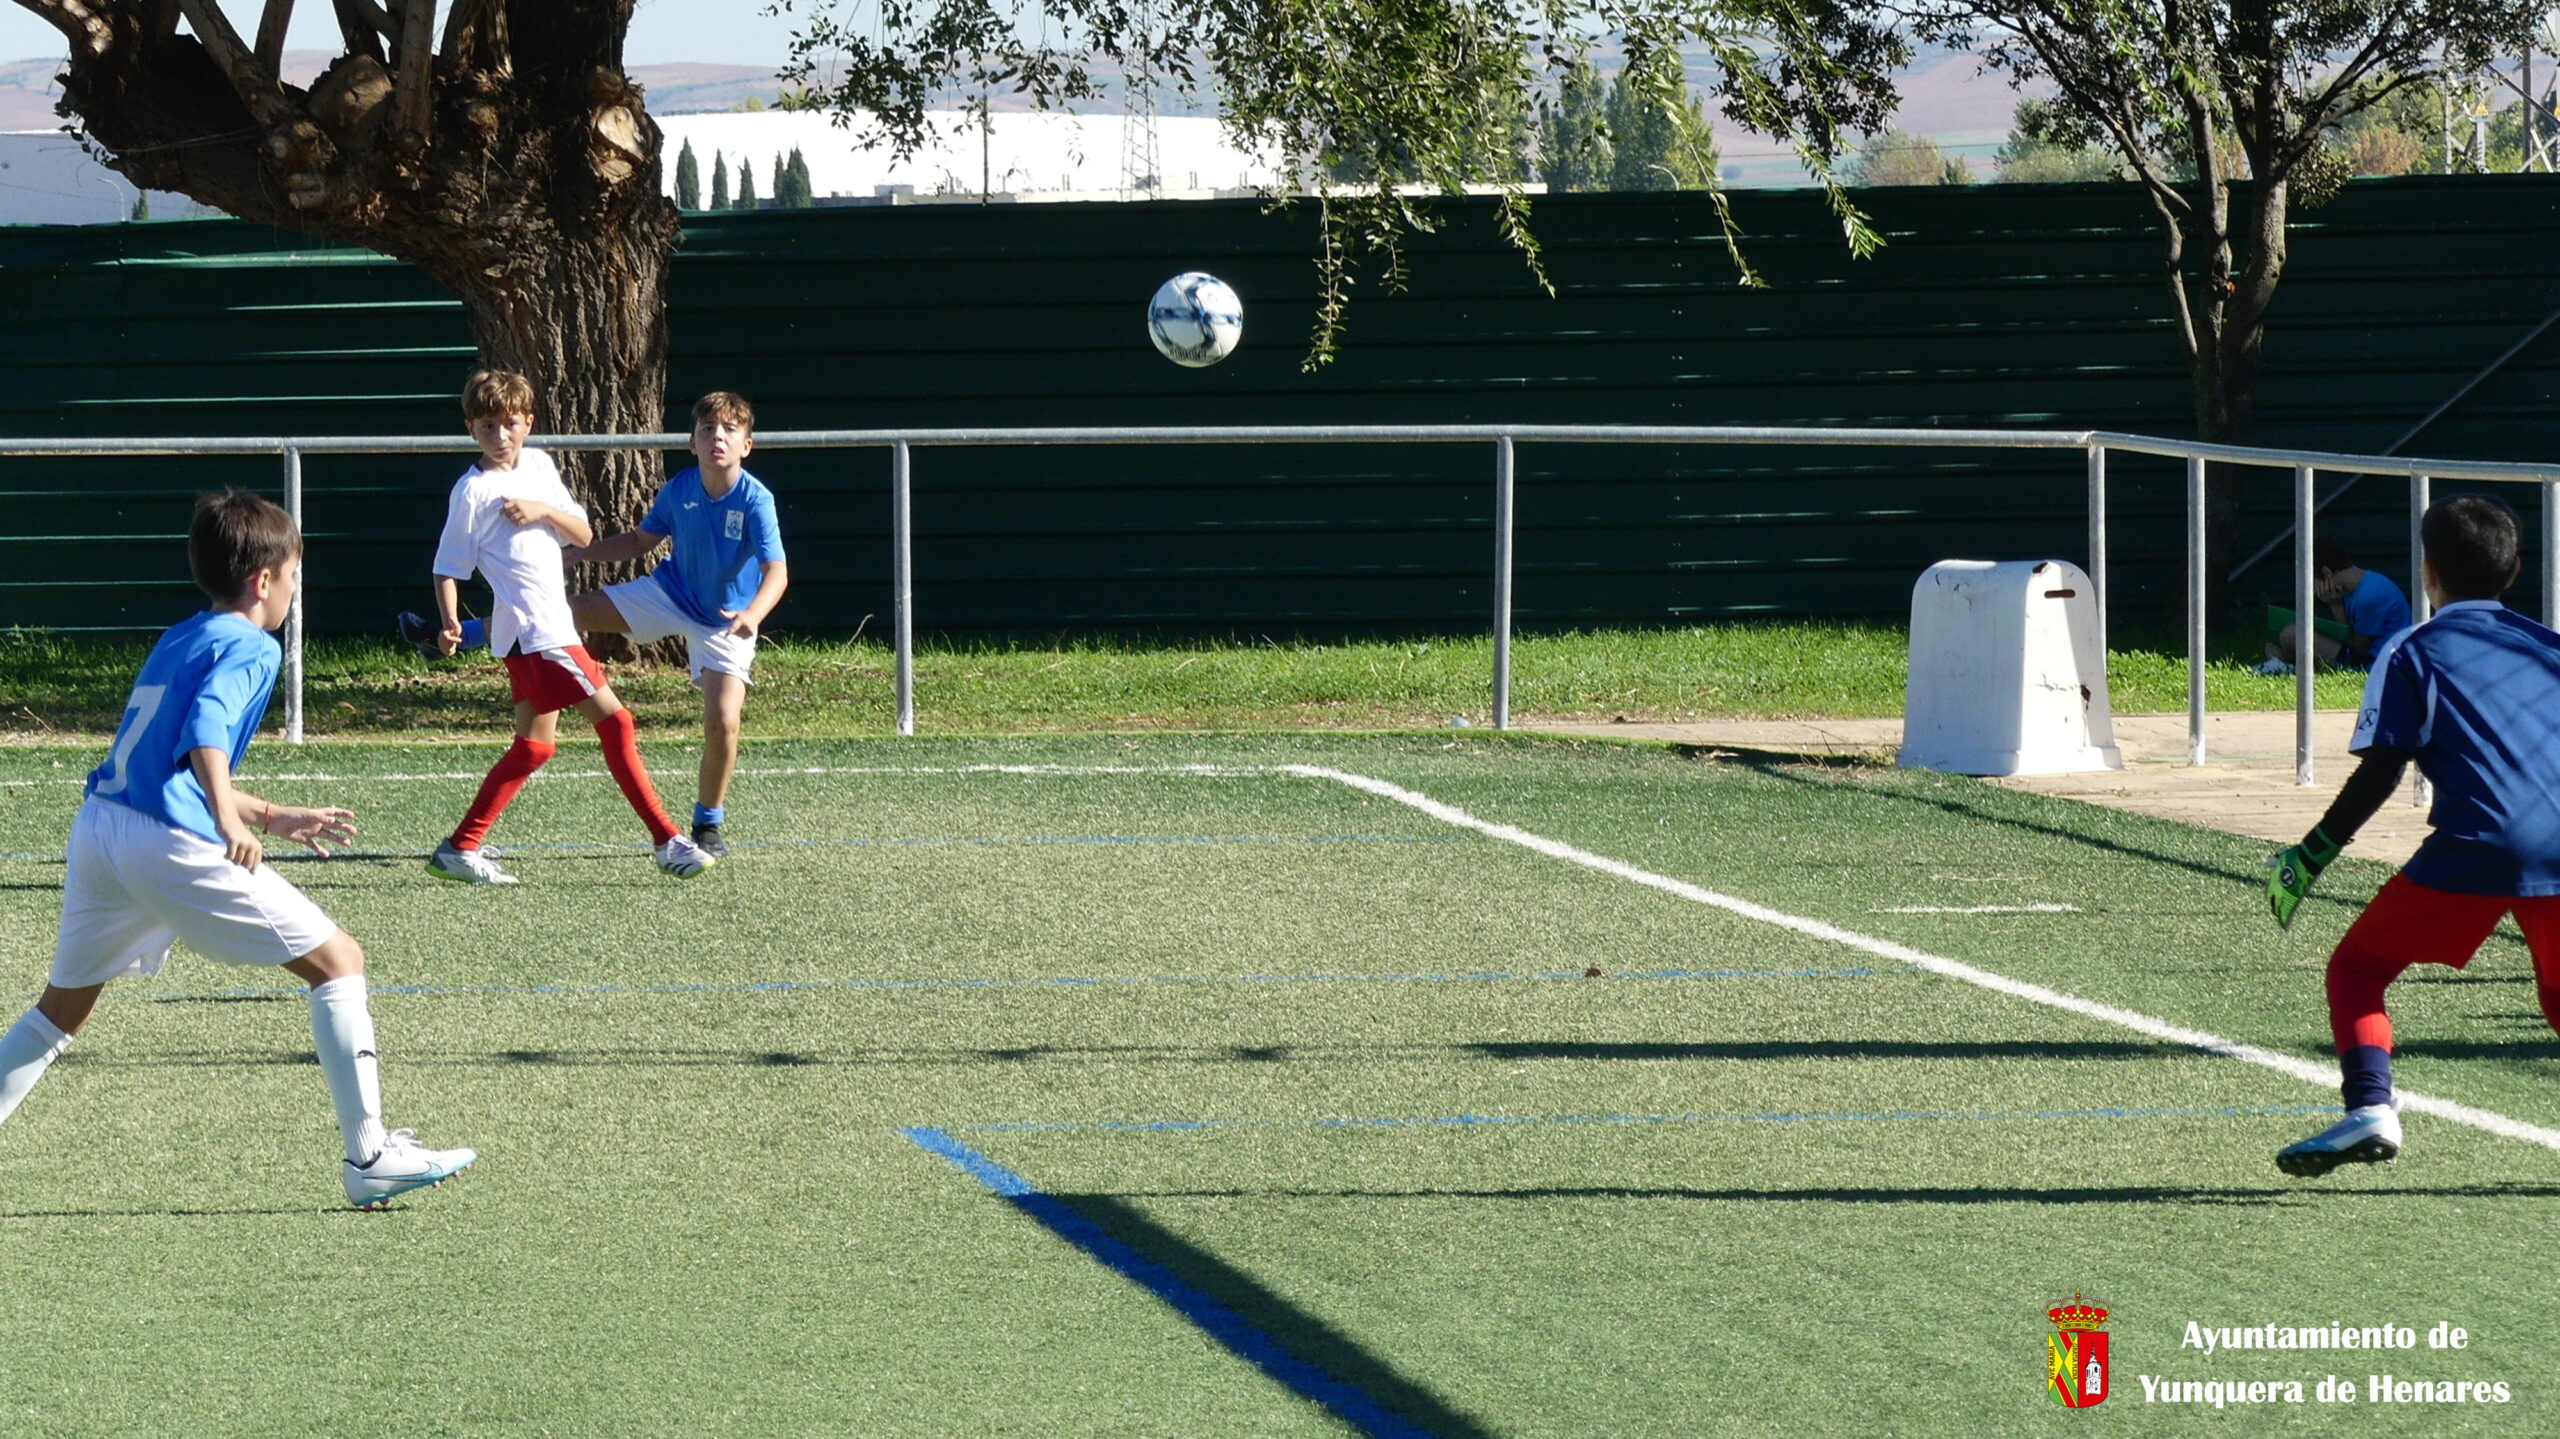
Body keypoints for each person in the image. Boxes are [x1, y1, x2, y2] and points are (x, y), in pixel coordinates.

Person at [0, 491, 475, 1209]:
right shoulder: (254, 645)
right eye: (294, 577)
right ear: (264, 580)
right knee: (339, 960)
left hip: (102, 827)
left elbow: (168, 756)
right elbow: (206, 733)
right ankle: (370, 1155)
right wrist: (229, 820)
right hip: (164, 840)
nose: (294, 590)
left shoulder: (182, 634)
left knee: (61, 1009)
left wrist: (269, 814)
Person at [2264, 494, 2560, 1175]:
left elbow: (2381, 772)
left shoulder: (2411, 650)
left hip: (2482, 842)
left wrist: (2308, 857)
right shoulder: (2550, 647)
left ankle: (2371, 1105)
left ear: (2427, 571)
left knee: (2357, 969)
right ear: (2514, 570)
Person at [425, 368, 715, 883]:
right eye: (487, 426)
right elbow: (447, 566)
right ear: (471, 429)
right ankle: (667, 841)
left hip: (542, 631)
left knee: (535, 747)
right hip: (539, 634)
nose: (500, 435)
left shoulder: (538, 465)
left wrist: (541, 510)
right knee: (617, 723)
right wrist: (450, 620)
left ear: (528, 422)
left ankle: (460, 847)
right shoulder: (471, 491)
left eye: (510, 423)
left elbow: (581, 534)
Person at [560, 392, 789, 859]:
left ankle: (708, 823)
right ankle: (463, 633)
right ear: (692, 443)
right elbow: (639, 541)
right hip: (670, 594)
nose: (717, 437)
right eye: (707, 430)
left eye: (729, 430)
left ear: (747, 445)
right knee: (562, 611)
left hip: (725, 622)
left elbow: (777, 572)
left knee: (723, 722)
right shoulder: (680, 488)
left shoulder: (756, 499)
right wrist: (583, 553)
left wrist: (752, 614)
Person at [2257, 536, 2413, 675]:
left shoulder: (2367, 597)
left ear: (2326, 573)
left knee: (2291, 634)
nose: (2312, 590)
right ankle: (2290, 667)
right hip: (2364, 654)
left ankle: (2289, 668)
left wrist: (2335, 605)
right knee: (2273, 646)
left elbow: (2359, 648)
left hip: (2374, 663)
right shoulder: (2356, 585)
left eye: (2311, 582)